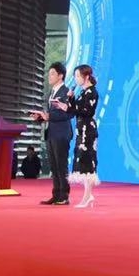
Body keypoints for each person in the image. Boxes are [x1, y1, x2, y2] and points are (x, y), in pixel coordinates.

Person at [31, 62, 74, 205]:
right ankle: (56, 194)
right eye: (49, 74)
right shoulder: (51, 92)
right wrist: (40, 118)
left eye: (52, 74)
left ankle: (64, 195)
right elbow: (50, 115)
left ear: (61, 76)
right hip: (51, 132)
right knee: (54, 166)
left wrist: (49, 116)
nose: (49, 76)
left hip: (61, 133)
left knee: (61, 165)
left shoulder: (67, 92)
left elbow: (68, 114)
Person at [69, 64, 101, 209]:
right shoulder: (82, 92)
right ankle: (88, 195)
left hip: (88, 130)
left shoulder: (92, 92)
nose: (76, 79)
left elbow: (86, 111)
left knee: (87, 160)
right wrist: (70, 100)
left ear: (86, 76)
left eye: (78, 76)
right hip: (80, 130)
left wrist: (72, 106)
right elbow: (74, 109)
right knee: (82, 159)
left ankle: (87, 196)